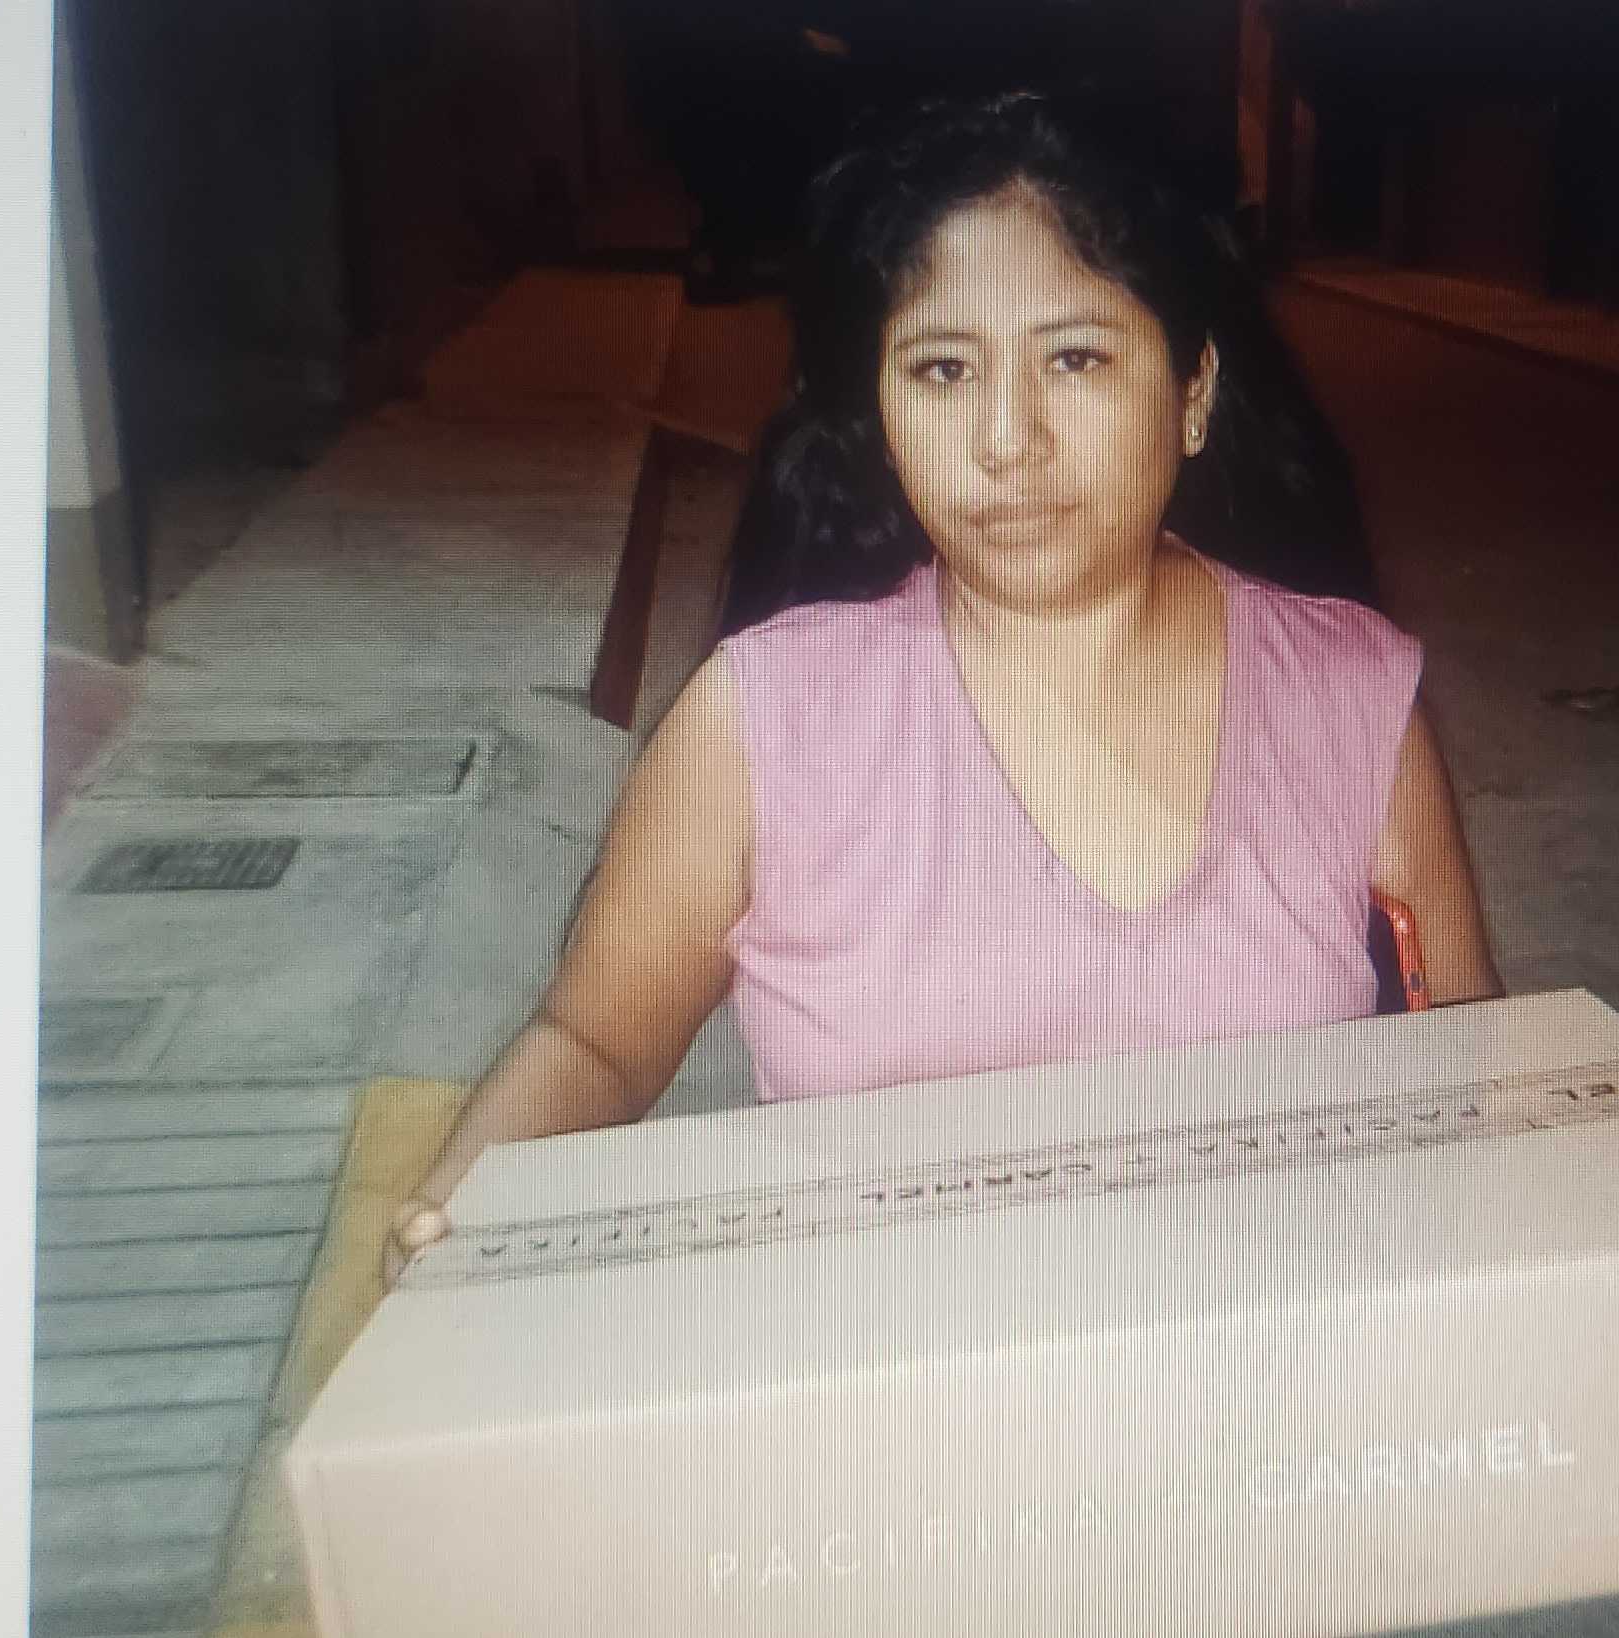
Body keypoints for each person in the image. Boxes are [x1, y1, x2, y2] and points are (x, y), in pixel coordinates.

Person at [392, 93, 1498, 1265]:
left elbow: (1476, 1078)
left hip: (1266, 1357)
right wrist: (458, 1216)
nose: (1005, 440)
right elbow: (595, 1041)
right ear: (880, 409)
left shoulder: (1350, 700)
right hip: (894, 1365)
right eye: (942, 369)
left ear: (1192, 394)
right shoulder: (764, 718)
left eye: (1074, 358)